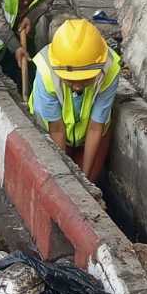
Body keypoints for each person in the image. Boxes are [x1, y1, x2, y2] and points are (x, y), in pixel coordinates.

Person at [28, 18, 120, 183]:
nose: (77, 87)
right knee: (57, 180)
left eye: (85, 80)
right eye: (71, 80)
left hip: (91, 133)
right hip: (51, 132)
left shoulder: (110, 68)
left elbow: (95, 127)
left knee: (89, 179)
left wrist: (85, 180)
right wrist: (65, 181)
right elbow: (57, 130)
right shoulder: (46, 73)